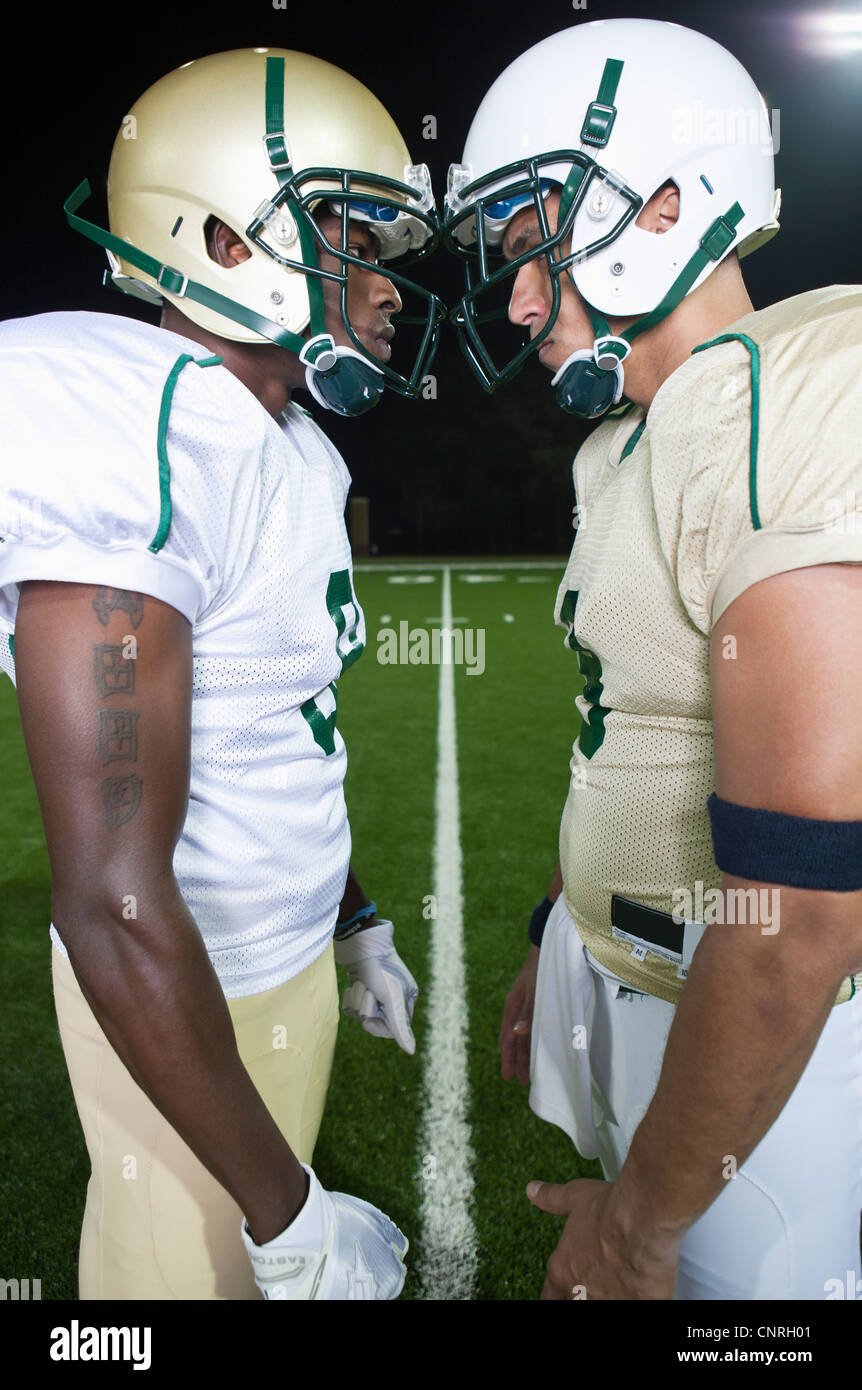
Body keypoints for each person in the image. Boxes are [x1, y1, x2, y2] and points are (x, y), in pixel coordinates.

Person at [0, 46, 444, 1300]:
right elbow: (114, 899)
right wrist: (289, 1209)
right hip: (180, 984)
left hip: (275, 946)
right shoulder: (132, 440)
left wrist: (351, 917)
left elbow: (276, 713)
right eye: (353, 235)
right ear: (224, 241)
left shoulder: (283, 440)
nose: (389, 285)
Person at [445, 17, 862, 1299]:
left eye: (532, 248)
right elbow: (631, 726)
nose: (516, 299)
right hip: (626, 968)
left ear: (667, 202)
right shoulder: (629, 435)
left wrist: (634, 1226)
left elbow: (797, 904)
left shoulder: (798, 388)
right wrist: (554, 923)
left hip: (753, 1030)